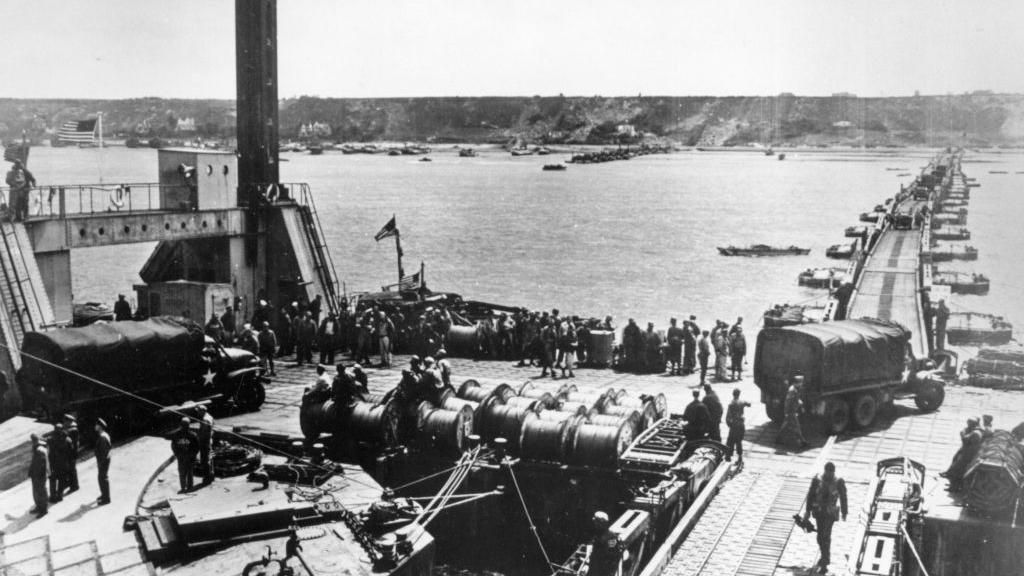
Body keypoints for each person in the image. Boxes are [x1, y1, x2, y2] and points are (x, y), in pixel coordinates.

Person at [803, 462, 848, 574]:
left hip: (830, 513)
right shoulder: (817, 480)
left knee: (825, 535)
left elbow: (843, 496)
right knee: (820, 536)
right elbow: (811, 495)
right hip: (818, 512)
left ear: (833, 472)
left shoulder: (838, 482)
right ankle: (824, 557)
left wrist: (844, 511)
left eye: (831, 472)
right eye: (828, 472)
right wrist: (807, 511)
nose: (829, 475)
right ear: (825, 471)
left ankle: (825, 560)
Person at [941, 417, 984, 491]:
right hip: (966, 453)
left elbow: (965, 440)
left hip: (967, 455)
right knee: (956, 467)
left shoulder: (975, 433)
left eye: (969, 424)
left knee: (957, 471)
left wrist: (962, 434)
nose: (968, 425)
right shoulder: (976, 431)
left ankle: (954, 488)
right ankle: (954, 485)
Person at [776, 377, 810, 449]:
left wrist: (799, 403)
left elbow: (795, 399)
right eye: (800, 382)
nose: (801, 384)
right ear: (796, 383)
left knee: (785, 425)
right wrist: (787, 412)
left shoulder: (794, 389)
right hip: (791, 411)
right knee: (797, 427)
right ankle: (802, 441)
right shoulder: (792, 390)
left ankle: (778, 439)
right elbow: (788, 402)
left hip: (791, 411)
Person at [171, 417, 199, 493]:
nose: (185, 427)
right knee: (184, 473)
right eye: (184, 425)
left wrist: (193, 455)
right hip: (182, 457)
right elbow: (173, 446)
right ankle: (185, 487)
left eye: (186, 425)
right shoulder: (178, 435)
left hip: (188, 457)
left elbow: (196, 447)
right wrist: (177, 454)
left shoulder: (192, 435)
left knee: (187, 473)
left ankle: (188, 487)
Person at [725, 388, 751, 462]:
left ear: (733, 394)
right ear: (739, 394)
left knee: (730, 441)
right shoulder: (742, 401)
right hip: (741, 424)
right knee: (739, 441)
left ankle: (728, 456)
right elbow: (749, 404)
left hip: (734, 425)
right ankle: (740, 457)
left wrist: (729, 424)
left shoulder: (731, 403)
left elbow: (727, 417)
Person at [47, 423, 71, 502]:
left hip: (54, 464)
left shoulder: (50, 440)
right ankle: (60, 495)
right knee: (61, 480)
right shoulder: (67, 439)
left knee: (53, 480)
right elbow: (70, 451)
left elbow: (49, 452)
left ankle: (53, 497)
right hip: (63, 463)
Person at [29, 433, 49, 516]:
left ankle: (43, 509)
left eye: (34, 440)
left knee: (41, 492)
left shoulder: (40, 450)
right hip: (35, 474)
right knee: (36, 492)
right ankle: (39, 506)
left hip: (40, 475)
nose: (33, 442)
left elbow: (42, 465)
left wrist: (40, 475)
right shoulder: (37, 448)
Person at [196, 405, 215, 485]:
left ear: (202, 411)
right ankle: (211, 475)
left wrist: (198, 440)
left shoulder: (205, 420)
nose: (197, 413)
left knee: (205, 460)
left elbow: (203, 433)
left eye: (199, 411)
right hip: (209, 440)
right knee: (210, 458)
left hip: (205, 442)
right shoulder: (210, 417)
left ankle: (207, 478)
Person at [95, 418, 111, 504]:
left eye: (96, 425)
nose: (95, 426)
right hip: (105, 460)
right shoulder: (105, 435)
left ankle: (106, 498)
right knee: (102, 478)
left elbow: (104, 452)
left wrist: (100, 463)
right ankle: (104, 494)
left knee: (102, 478)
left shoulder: (102, 437)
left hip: (103, 461)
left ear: (100, 427)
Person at [64, 414, 80, 493]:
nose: (64, 422)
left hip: (72, 453)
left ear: (69, 421)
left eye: (66, 420)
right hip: (71, 453)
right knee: (71, 470)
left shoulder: (72, 430)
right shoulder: (72, 429)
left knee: (72, 470)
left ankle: (74, 486)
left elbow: (72, 443)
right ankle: (72, 484)